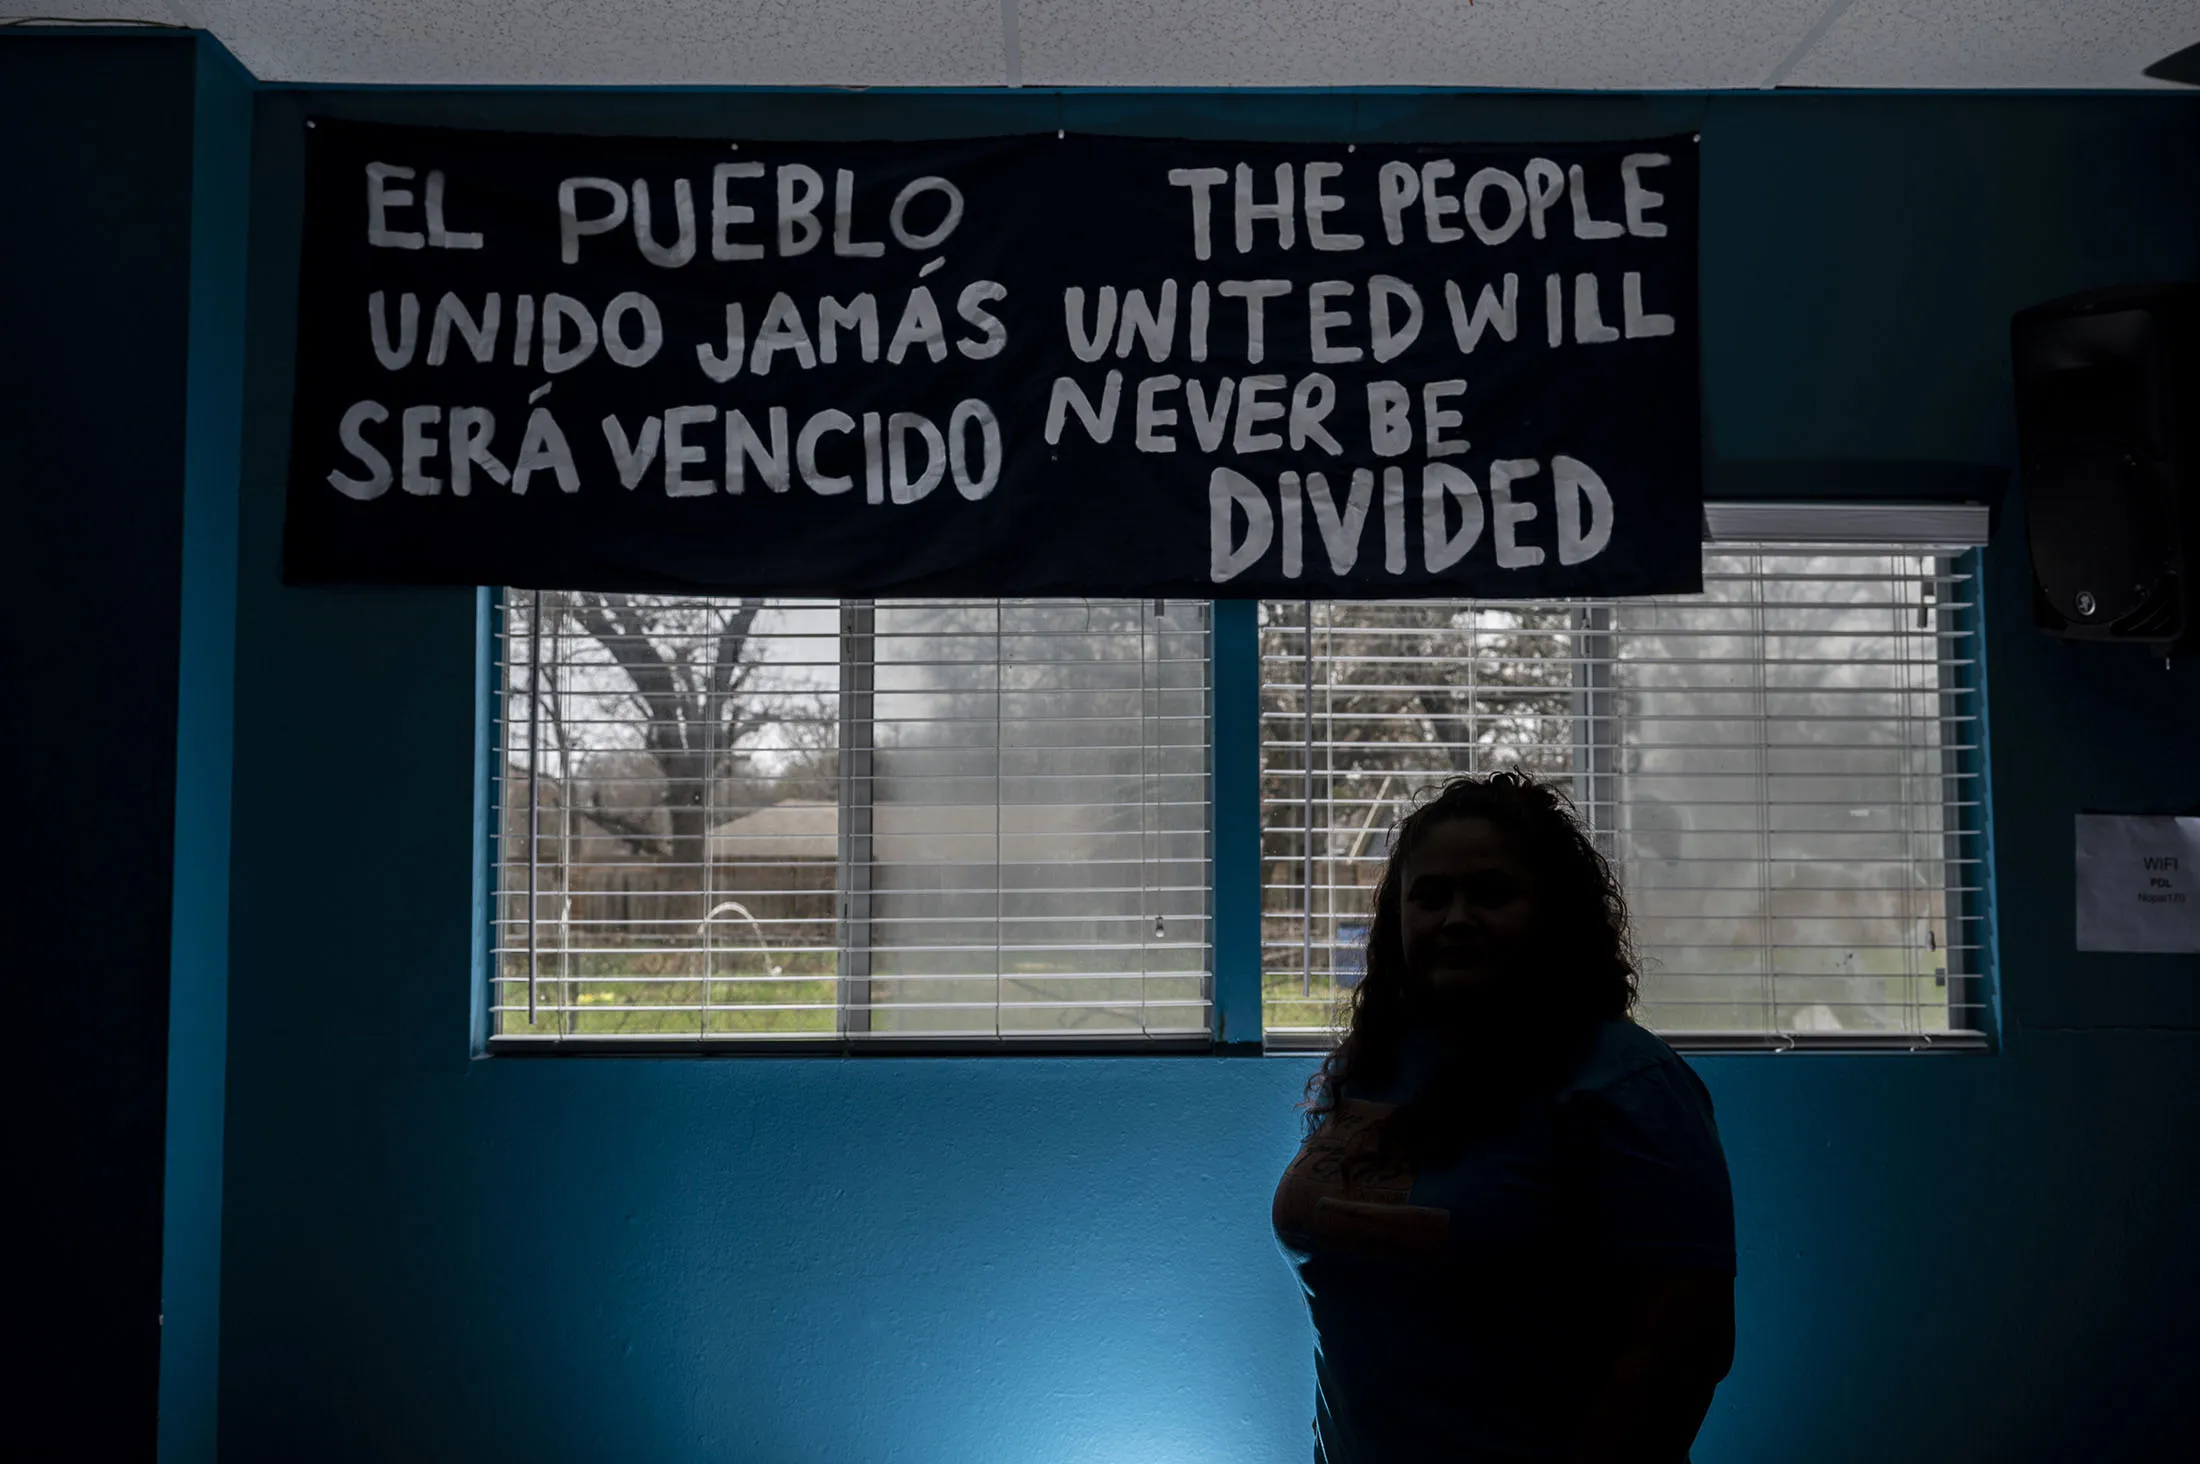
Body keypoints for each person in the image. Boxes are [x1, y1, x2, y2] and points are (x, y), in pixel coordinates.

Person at [1272, 770, 1736, 1464]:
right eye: (1430, 896)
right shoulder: (1375, 1065)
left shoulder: (1627, 1082)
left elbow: (1681, 1356)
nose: (1456, 917)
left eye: (1492, 892)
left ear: (1554, 913)